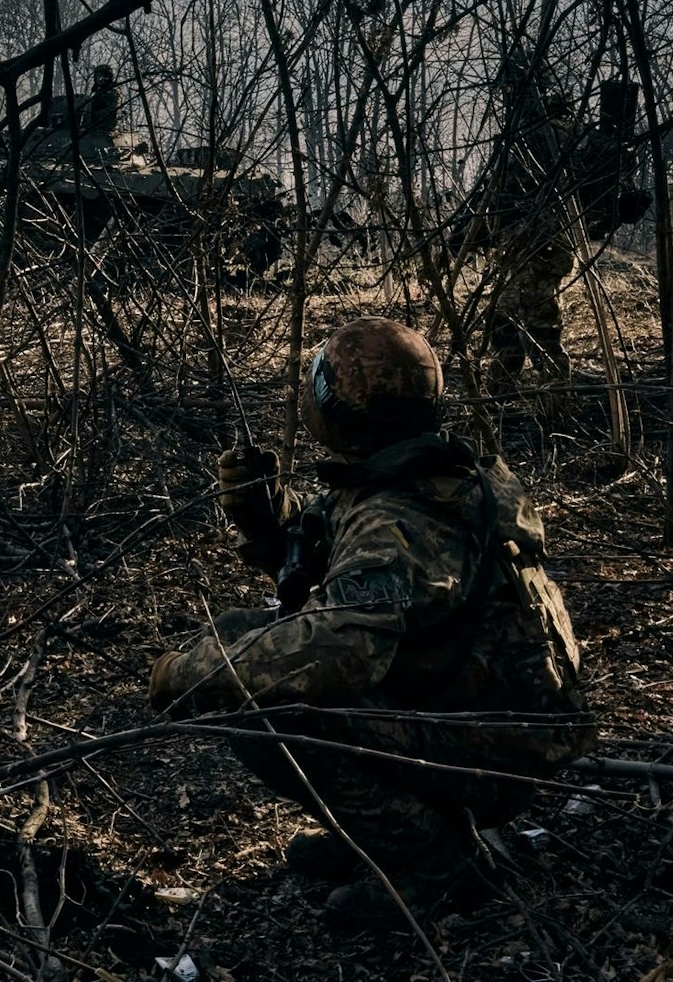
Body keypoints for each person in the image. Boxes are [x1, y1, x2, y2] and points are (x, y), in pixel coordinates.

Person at [148, 317, 596, 927]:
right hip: (493, 721)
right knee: (239, 634)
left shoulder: (397, 516)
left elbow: (338, 650)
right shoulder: (440, 473)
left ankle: (433, 863)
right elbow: (332, 567)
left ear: (335, 411)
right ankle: (378, 831)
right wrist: (264, 514)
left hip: (494, 753)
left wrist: (189, 673)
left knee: (266, 706)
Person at [476, 58, 648, 391]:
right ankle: (500, 395)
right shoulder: (526, 135)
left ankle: (555, 394)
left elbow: (586, 184)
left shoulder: (555, 134)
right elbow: (499, 195)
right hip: (521, 243)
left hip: (547, 241)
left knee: (536, 317)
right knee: (505, 315)